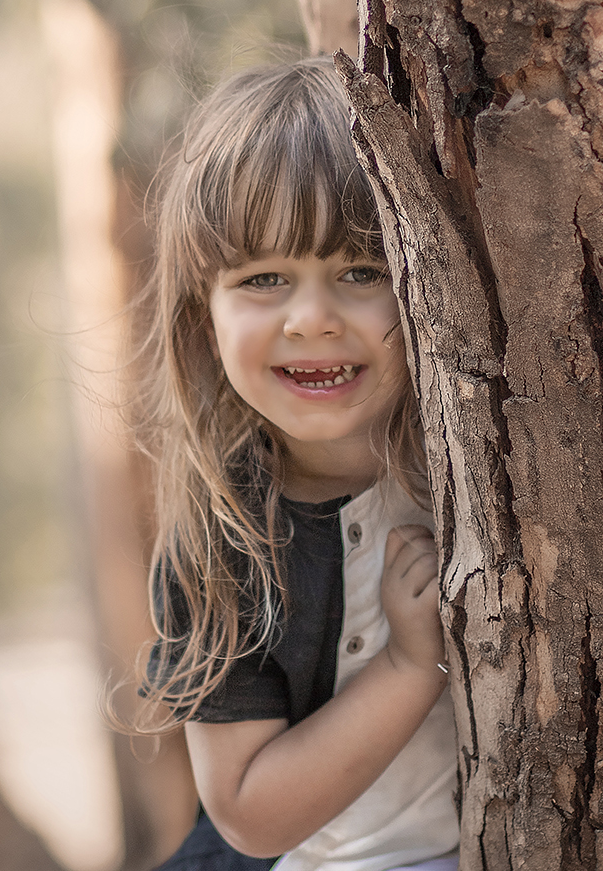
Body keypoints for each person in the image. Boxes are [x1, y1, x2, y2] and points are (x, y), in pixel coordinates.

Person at [135, 57, 460, 871]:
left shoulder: (487, 468)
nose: (312, 319)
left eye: (361, 271)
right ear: (203, 316)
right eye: (265, 278)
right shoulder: (220, 539)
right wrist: (409, 665)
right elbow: (248, 811)